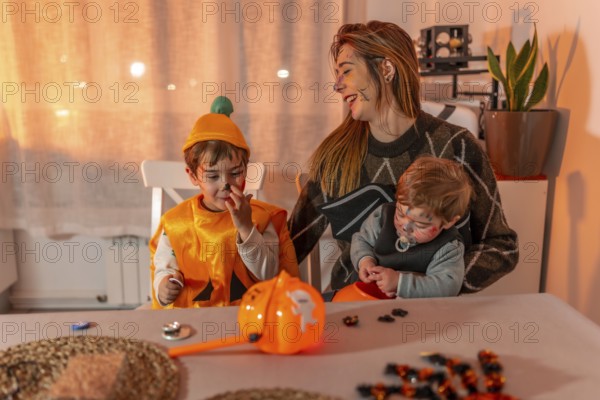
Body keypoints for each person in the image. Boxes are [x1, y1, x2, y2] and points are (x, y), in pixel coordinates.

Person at [288, 21, 518, 293]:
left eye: (346, 72)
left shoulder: (459, 147)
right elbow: (289, 248)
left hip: (438, 318)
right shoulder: (334, 158)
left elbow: (502, 246)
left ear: (386, 68)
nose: (338, 87)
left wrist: (434, 284)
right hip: (355, 313)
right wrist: (242, 234)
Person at [150, 96, 299, 308]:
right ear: (192, 176)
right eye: (212, 176)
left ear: (246, 171)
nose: (225, 185)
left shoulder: (261, 219)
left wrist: (246, 227)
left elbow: (268, 274)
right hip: (195, 321)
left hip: (249, 317)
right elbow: (165, 265)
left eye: (235, 173)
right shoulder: (176, 224)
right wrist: (163, 285)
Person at [351, 156, 473, 298]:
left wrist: (399, 283)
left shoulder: (448, 246)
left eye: (421, 224)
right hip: (363, 298)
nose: (405, 227)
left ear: (449, 222)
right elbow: (361, 240)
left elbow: (447, 286)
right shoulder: (383, 217)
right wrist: (365, 260)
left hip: (415, 311)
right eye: (401, 214)